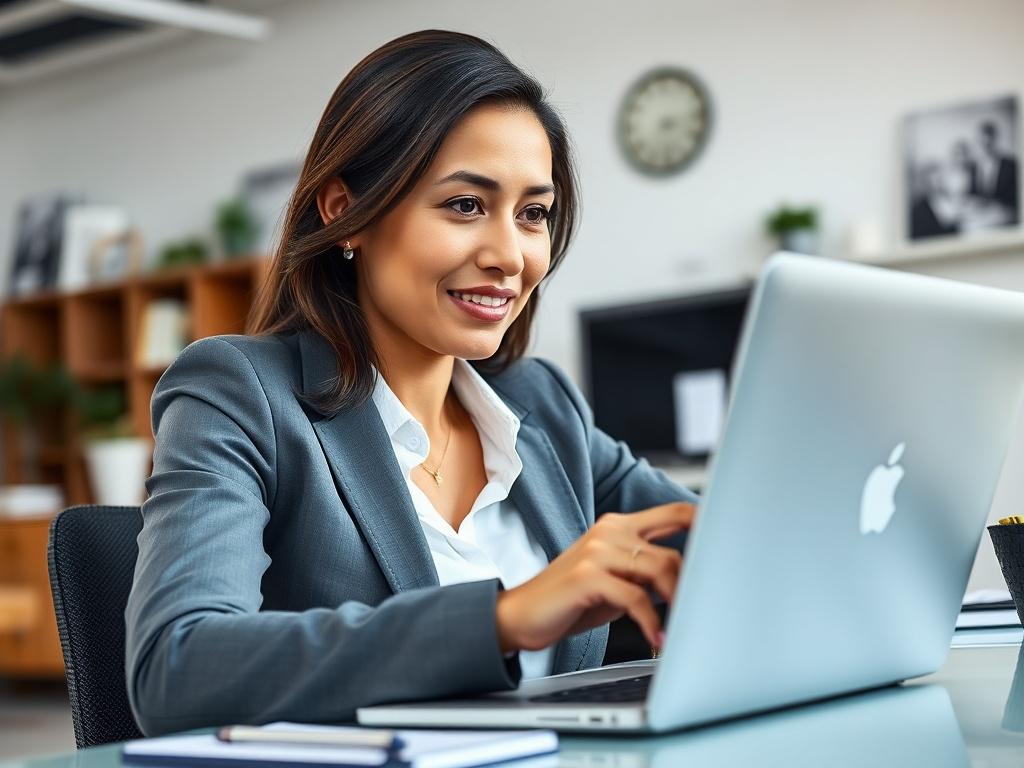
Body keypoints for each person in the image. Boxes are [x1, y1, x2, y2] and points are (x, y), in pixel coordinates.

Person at [125, 30, 697, 737]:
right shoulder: (239, 394)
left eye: (533, 214)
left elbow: (721, 545)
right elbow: (176, 670)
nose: (508, 255)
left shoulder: (540, 404)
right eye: (464, 205)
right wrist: (502, 620)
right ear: (343, 211)